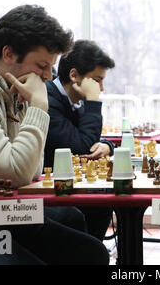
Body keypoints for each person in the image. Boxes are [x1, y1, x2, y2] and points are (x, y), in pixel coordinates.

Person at [0, 5, 109, 264]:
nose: (48, 77)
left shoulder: (14, 91)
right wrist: (39, 107)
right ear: (9, 54)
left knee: (90, 253)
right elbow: (19, 171)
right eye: (42, 66)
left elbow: (31, 168)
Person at [44, 39, 116, 241]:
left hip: (70, 183)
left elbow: (90, 139)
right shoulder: (48, 100)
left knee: (102, 205)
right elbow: (80, 147)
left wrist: (107, 146)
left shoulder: (72, 98)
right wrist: (93, 102)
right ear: (74, 75)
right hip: (49, 186)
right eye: (97, 80)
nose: (101, 88)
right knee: (97, 206)